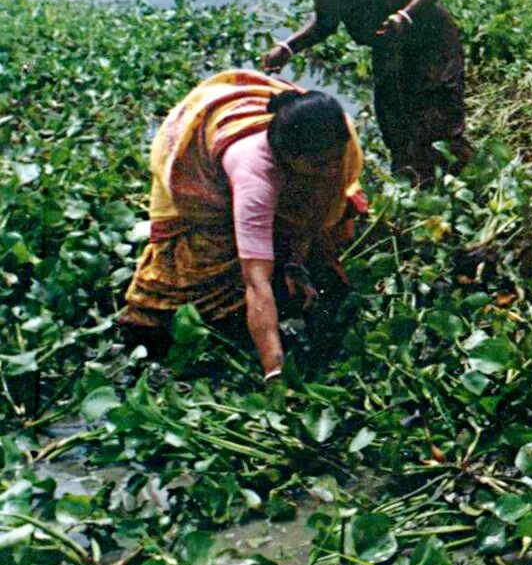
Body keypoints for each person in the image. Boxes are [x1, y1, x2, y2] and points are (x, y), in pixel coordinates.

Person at [119, 72, 365, 380]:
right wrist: (274, 371)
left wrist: (296, 262)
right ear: (288, 157)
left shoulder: (336, 138)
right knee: (206, 275)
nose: (331, 171)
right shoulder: (254, 177)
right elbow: (255, 282)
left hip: (270, 138)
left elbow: (316, 205)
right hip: (205, 156)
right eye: (318, 165)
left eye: (334, 159)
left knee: (315, 250)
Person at [261, 0, 469, 185]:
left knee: (442, 116)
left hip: (432, 42)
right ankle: (412, 190)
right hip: (389, 48)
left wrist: (404, 16)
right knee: (395, 124)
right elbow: (326, 23)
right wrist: (287, 47)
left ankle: (457, 183)